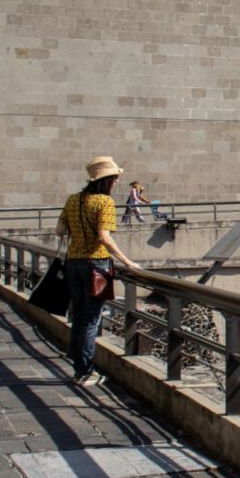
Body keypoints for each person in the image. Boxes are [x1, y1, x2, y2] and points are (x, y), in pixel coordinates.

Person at [55, 156, 138, 385]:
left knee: (79, 317)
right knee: (91, 320)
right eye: (114, 179)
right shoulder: (104, 202)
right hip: (97, 266)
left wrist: (78, 229)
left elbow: (59, 230)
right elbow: (105, 238)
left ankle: (78, 368)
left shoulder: (73, 200)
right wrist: (127, 261)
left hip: (74, 264)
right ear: (106, 180)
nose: (116, 183)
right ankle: (86, 371)